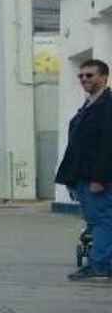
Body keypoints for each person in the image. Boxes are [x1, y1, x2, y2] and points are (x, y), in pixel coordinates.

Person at [57, 59, 112, 279]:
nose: (84, 79)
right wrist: (71, 179)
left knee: (102, 220)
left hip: (96, 178)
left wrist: (100, 178)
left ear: (104, 77)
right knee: (95, 221)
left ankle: (100, 266)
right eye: (81, 76)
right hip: (82, 177)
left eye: (89, 75)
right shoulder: (88, 105)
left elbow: (108, 145)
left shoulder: (107, 106)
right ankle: (100, 262)